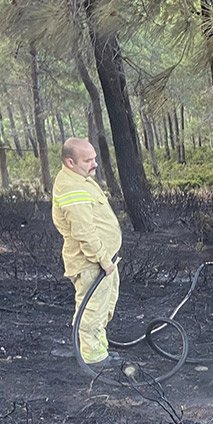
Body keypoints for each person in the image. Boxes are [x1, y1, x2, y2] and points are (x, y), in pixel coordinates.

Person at [51, 137, 122, 367]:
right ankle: (95, 359)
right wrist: (103, 260)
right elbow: (84, 232)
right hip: (92, 262)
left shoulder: (80, 178)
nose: (94, 164)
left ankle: (91, 347)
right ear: (70, 162)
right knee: (92, 310)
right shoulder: (72, 187)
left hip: (101, 260)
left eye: (94, 158)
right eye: (87, 160)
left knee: (101, 306)